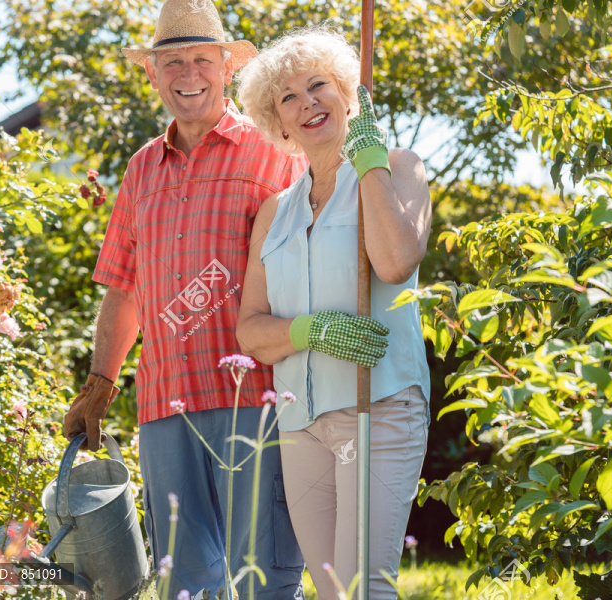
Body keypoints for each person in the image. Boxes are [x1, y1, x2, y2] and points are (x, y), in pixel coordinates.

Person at [62, 1, 307, 598]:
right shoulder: (142, 168)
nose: (188, 73)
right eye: (172, 61)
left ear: (227, 68)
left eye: (202, 58)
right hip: (165, 403)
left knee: (264, 576)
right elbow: (125, 288)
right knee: (186, 584)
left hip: (259, 395)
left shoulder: (276, 151)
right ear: (152, 73)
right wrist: (100, 382)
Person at [235, 27, 432, 600]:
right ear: (280, 122)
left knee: (364, 587)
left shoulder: (398, 166)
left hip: (380, 407)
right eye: (289, 97)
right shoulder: (274, 212)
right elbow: (250, 331)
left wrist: (368, 160)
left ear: (349, 93)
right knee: (330, 590)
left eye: (319, 85)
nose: (307, 102)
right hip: (300, 425)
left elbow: (395, 264)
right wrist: (311, 330)